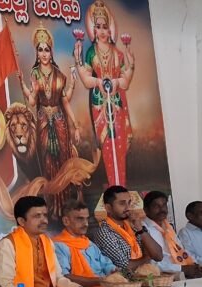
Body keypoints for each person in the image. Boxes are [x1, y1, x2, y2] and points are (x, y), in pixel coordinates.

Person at [20, 23, 82, 217]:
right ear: (37, 53)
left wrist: (75, 125)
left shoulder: (59, 74)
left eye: (47, 49)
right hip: (44, 123)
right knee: (48, 163)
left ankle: (66, 205)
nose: (44, 53)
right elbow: (32, 101)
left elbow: (65, 101)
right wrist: (23, 84)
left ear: (51, 51)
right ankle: (54, 206)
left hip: (60, 122)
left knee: (63, 161)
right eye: (40, 50)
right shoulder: (34, 74)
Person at [73, 0, 135, 187]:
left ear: (110, 30)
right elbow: (86, 80)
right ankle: (113, 186)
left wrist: (130, 66)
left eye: (105, 27)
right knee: (107, 145)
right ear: (94, 29)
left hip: (117, 103)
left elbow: (125, 82)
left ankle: (121, 185)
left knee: (120, 145)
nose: (101, 31)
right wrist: (79, 60)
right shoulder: (91, 53)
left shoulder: (118, 54)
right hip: (100, 104)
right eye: (98, 26)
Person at [0, 196, 88, 287]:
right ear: (21, 221)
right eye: (37, 216)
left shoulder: (47, 242)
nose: (44, 221)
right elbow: (4, 284)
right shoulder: (8, 244)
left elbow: (57, 278)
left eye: (45, 215)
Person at [89, 185, 162, 271]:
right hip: (123, 279)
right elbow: (125, 266)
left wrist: (140, 229)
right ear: (108, 208)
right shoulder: (104, 232)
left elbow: (158, 256)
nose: (128, 208)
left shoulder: (134, 226)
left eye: (129, 202)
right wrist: (148, 257)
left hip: (146, 276)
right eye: (122, 203)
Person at [51, 200, 118, 287]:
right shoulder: (58, 245)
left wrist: (114, 272)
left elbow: (106, 265)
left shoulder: (88, 243)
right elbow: (65, 277)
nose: (86, 223)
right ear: (66, 221)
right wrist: (100, 281)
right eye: (80, 219)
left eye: (87, 219)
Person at [142, 191, 202, 279]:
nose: (162, 209)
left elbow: (181, 250)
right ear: (146, 210)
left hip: (181, 272)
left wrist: (193, 264)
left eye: (164, 205)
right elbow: (150, 262)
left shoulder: (168, 227)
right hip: (161, 277)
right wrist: (181, 268)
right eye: (156, 206)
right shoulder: (143, 229)